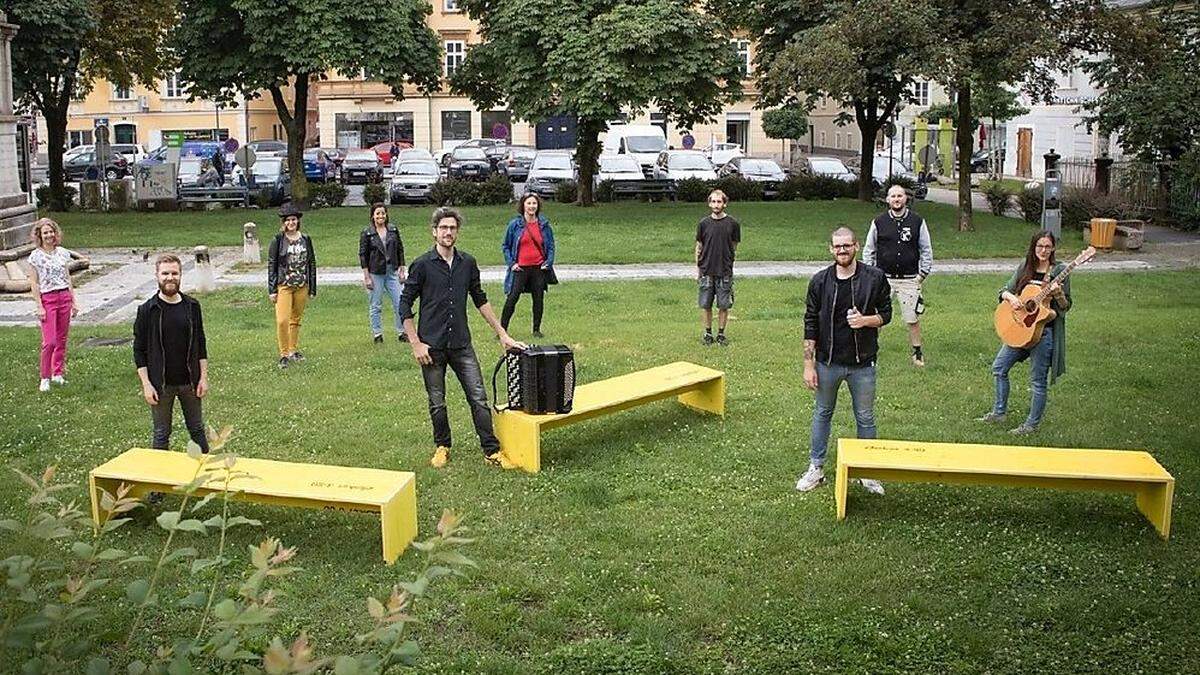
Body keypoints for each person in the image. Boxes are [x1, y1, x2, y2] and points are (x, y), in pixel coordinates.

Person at [399, 207, 525, 468]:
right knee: (437, 400)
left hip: (461, 344)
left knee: (478, 396)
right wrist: (415, 343)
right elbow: (405, 305)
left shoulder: (467, 263)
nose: (448, 232)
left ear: (457, 232)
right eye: (443, 228)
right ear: (434, 231)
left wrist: (502, 334)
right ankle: (442, 446)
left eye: (452, 228)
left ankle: (491, 450)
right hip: (431, 346)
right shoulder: (422, 265)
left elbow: (480, 300)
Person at [795, 226, 892, 494]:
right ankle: (816, 468)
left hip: (863, 364)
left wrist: (865, 320)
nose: (842, 250)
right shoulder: (820, 281)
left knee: (865, 417)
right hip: (828, 363)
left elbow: (886, 313)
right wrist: (808, 364)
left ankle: (867, 471)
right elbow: (810, 322)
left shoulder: (874, 278)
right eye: (837, 246)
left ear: (856, 246)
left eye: (847, 245)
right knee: (822, 413)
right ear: (831, 249)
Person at [977, 230, 1072, 435]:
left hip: (1042, 333)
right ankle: (999, 413)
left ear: (1053, 247)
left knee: (1038, 381)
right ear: (1033, 247)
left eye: (1047, 246)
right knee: (999, 368)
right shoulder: (1026, 266)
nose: (1043, 251)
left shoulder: (1060, 271)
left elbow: (1065, 307)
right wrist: (1011, 298)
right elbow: (1004, 291)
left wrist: (1059, 294)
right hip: (1020, 327)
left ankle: (1031, 425)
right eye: (1040, 246)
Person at [133, 254, 210, 453]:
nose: (170, 277)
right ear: (157, 275)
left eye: (174, 273)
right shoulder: (147, 310)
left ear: (180, 275)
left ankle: (207, 476)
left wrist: (203, 377)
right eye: (165, 273)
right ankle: (158, 482)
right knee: (161, 433)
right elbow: (139, 350)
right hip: (161, 384)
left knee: (197, 430)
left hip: (190, 382)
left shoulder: (192, 306)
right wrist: (147, 384)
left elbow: (201, 344)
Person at [862, 184, 933, 367]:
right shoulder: (879, 222)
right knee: (876, 317)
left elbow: (926, 249)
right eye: (893, 196)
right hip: (883, 278)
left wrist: (922, 274)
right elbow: (869, 249)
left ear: (905, 199)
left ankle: (917, 353)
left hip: (909, 279)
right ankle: (870, 353)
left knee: (912, 318)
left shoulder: (917, 221)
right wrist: (871, 274)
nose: (896, 199)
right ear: (887, 200)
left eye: (900, 196)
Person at [27, 218, 85, 392]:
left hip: (64, 297)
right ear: (39, 235)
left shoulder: (62, 253)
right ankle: (44, 377)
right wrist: (39, 306)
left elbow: (67, 278)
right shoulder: (35, 257)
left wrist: (73, 301)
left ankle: (57, 373)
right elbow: (34, 283)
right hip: (48, 298)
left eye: (51, 232)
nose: (49, 235)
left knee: (61, 339)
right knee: (50, 341)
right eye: (45, 233)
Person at [268, 202, 317, 369]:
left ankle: (293, 350)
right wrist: (272, 289)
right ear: (283, 222)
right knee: (282, 320)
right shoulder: (278, 240)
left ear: (298, 221)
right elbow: (272, 264)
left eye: (294, 220)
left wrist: (312, 287)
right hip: (284, 285)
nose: (291, 223)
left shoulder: (306, 239)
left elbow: (311, 263)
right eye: (288, 220)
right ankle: (283, 354)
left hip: (301, 284)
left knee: (296, 319)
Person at [500, 193, 557, 338]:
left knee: (538, 299)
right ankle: (502, 330)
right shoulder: (515, 225)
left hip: (538, 268)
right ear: (523, 206)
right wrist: (511, 264)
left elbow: (550, 246)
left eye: (534, 204)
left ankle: (536, 329)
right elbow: (505, 245)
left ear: (538, 206)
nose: (531, 206)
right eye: (529, 203)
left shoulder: (544, 225)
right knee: (512, 297)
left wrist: (548, 262)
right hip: (520, 268)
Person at [694, 189, 741, 345]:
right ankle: (708, 333)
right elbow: (699, 246)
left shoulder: (733, 224)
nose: (716, 204)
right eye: (713, 201)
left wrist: (728, 261)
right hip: (706, 270)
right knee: (705, 304)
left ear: (725, 203)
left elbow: (734, 246)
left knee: (724, 305)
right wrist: (698, 270)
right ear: (709, 203)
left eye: (719, 201)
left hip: (725, 270)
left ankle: (721, 334)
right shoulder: (703, 224)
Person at [360, 203, 408, 343]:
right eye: (377, 213)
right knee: (376, 304)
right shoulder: (368, 233)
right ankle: (377, 334)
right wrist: (367, 276)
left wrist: (401, 268)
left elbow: (400, 249)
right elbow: (363, 255)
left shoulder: (393, 230)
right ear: (373, 216)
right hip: (376, 272)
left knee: (400, 302)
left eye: (383, 213)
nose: (380, 216)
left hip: (392, 271)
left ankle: (401, 332)